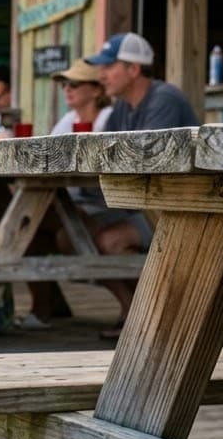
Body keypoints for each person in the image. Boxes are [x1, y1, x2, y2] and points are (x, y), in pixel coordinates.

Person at [81, 31, 200, 337]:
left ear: (133, 69)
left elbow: (147, 163)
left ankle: (153, 318)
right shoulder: (121, 106)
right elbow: (105, 158)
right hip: (143, 205)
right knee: (72, 237)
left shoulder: (165, 99)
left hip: (181, 209)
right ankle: (134, 311)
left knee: (110, 241)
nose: (101, 74)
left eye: (109, 66)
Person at [17, 58, 113, 330]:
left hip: (109, 204)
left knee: (35, 222)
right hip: (76, 200)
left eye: (74, 84)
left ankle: (129, 306)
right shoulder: (69, 119)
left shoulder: (109, 118)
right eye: (64, 85)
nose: (67, 90)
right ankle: (45, 304)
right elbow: (49, 155)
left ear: (96, 90)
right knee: (30, 222)